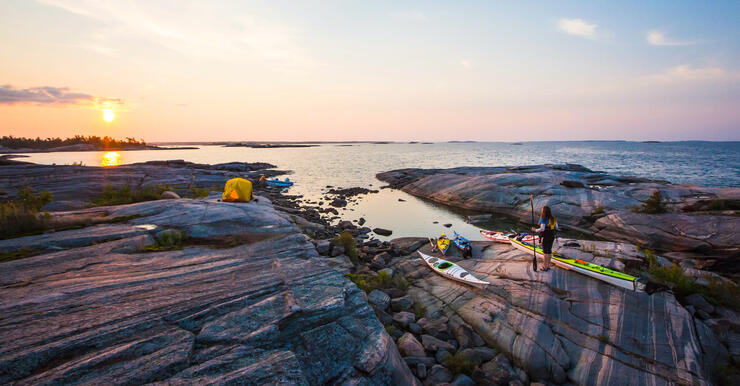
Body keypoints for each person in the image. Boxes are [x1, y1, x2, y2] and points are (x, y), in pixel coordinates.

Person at [532, 205, 558, 271]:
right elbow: (556, 227)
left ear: (544, 211)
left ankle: (545, 267)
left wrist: (535, 230)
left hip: (546, 236)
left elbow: (542, 229)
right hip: (552, 235)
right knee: (549, 251)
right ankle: (548, 266)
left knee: (545, 252)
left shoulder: (544, 219)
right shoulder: (553, 218)